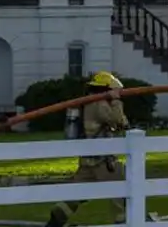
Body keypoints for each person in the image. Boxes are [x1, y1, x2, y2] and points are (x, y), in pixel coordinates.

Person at [44, 71, 130, 227]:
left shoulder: (88, 102)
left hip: (88, 159)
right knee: (121, 191)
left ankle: (57, 218)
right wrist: (116, 100)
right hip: (103, 161)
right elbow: (118, 120)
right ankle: (125, 221)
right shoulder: (100, 104)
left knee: (77, 192)